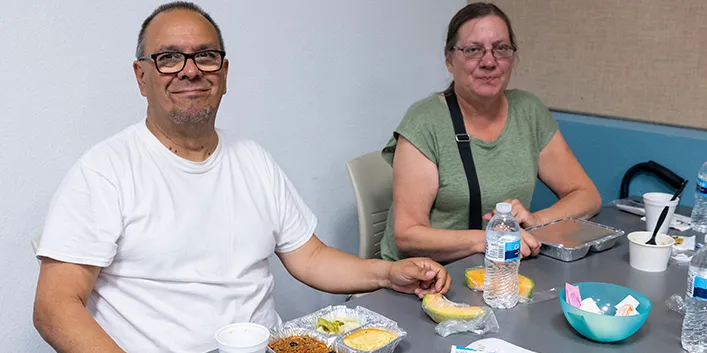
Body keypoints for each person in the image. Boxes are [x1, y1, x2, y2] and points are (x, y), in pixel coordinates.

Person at [32, 3, 451, 352]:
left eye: (205, 55)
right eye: (169, 58)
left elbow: (310, 257)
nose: (190, 70)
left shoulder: (253, 159)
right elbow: (55, 307)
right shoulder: (104, 171)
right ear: (142, 77)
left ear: (225, 73)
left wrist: (386, 273)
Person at [380, 3, 601, 263]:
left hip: (495, 268)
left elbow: (587, 196)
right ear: (450, 60)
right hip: (424, 276)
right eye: (473, 50)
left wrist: (536, 220)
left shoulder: (528, 111)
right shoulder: (425, 121)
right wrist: (487, 239)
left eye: (501, 49)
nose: (489, 62)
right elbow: (407, 236)